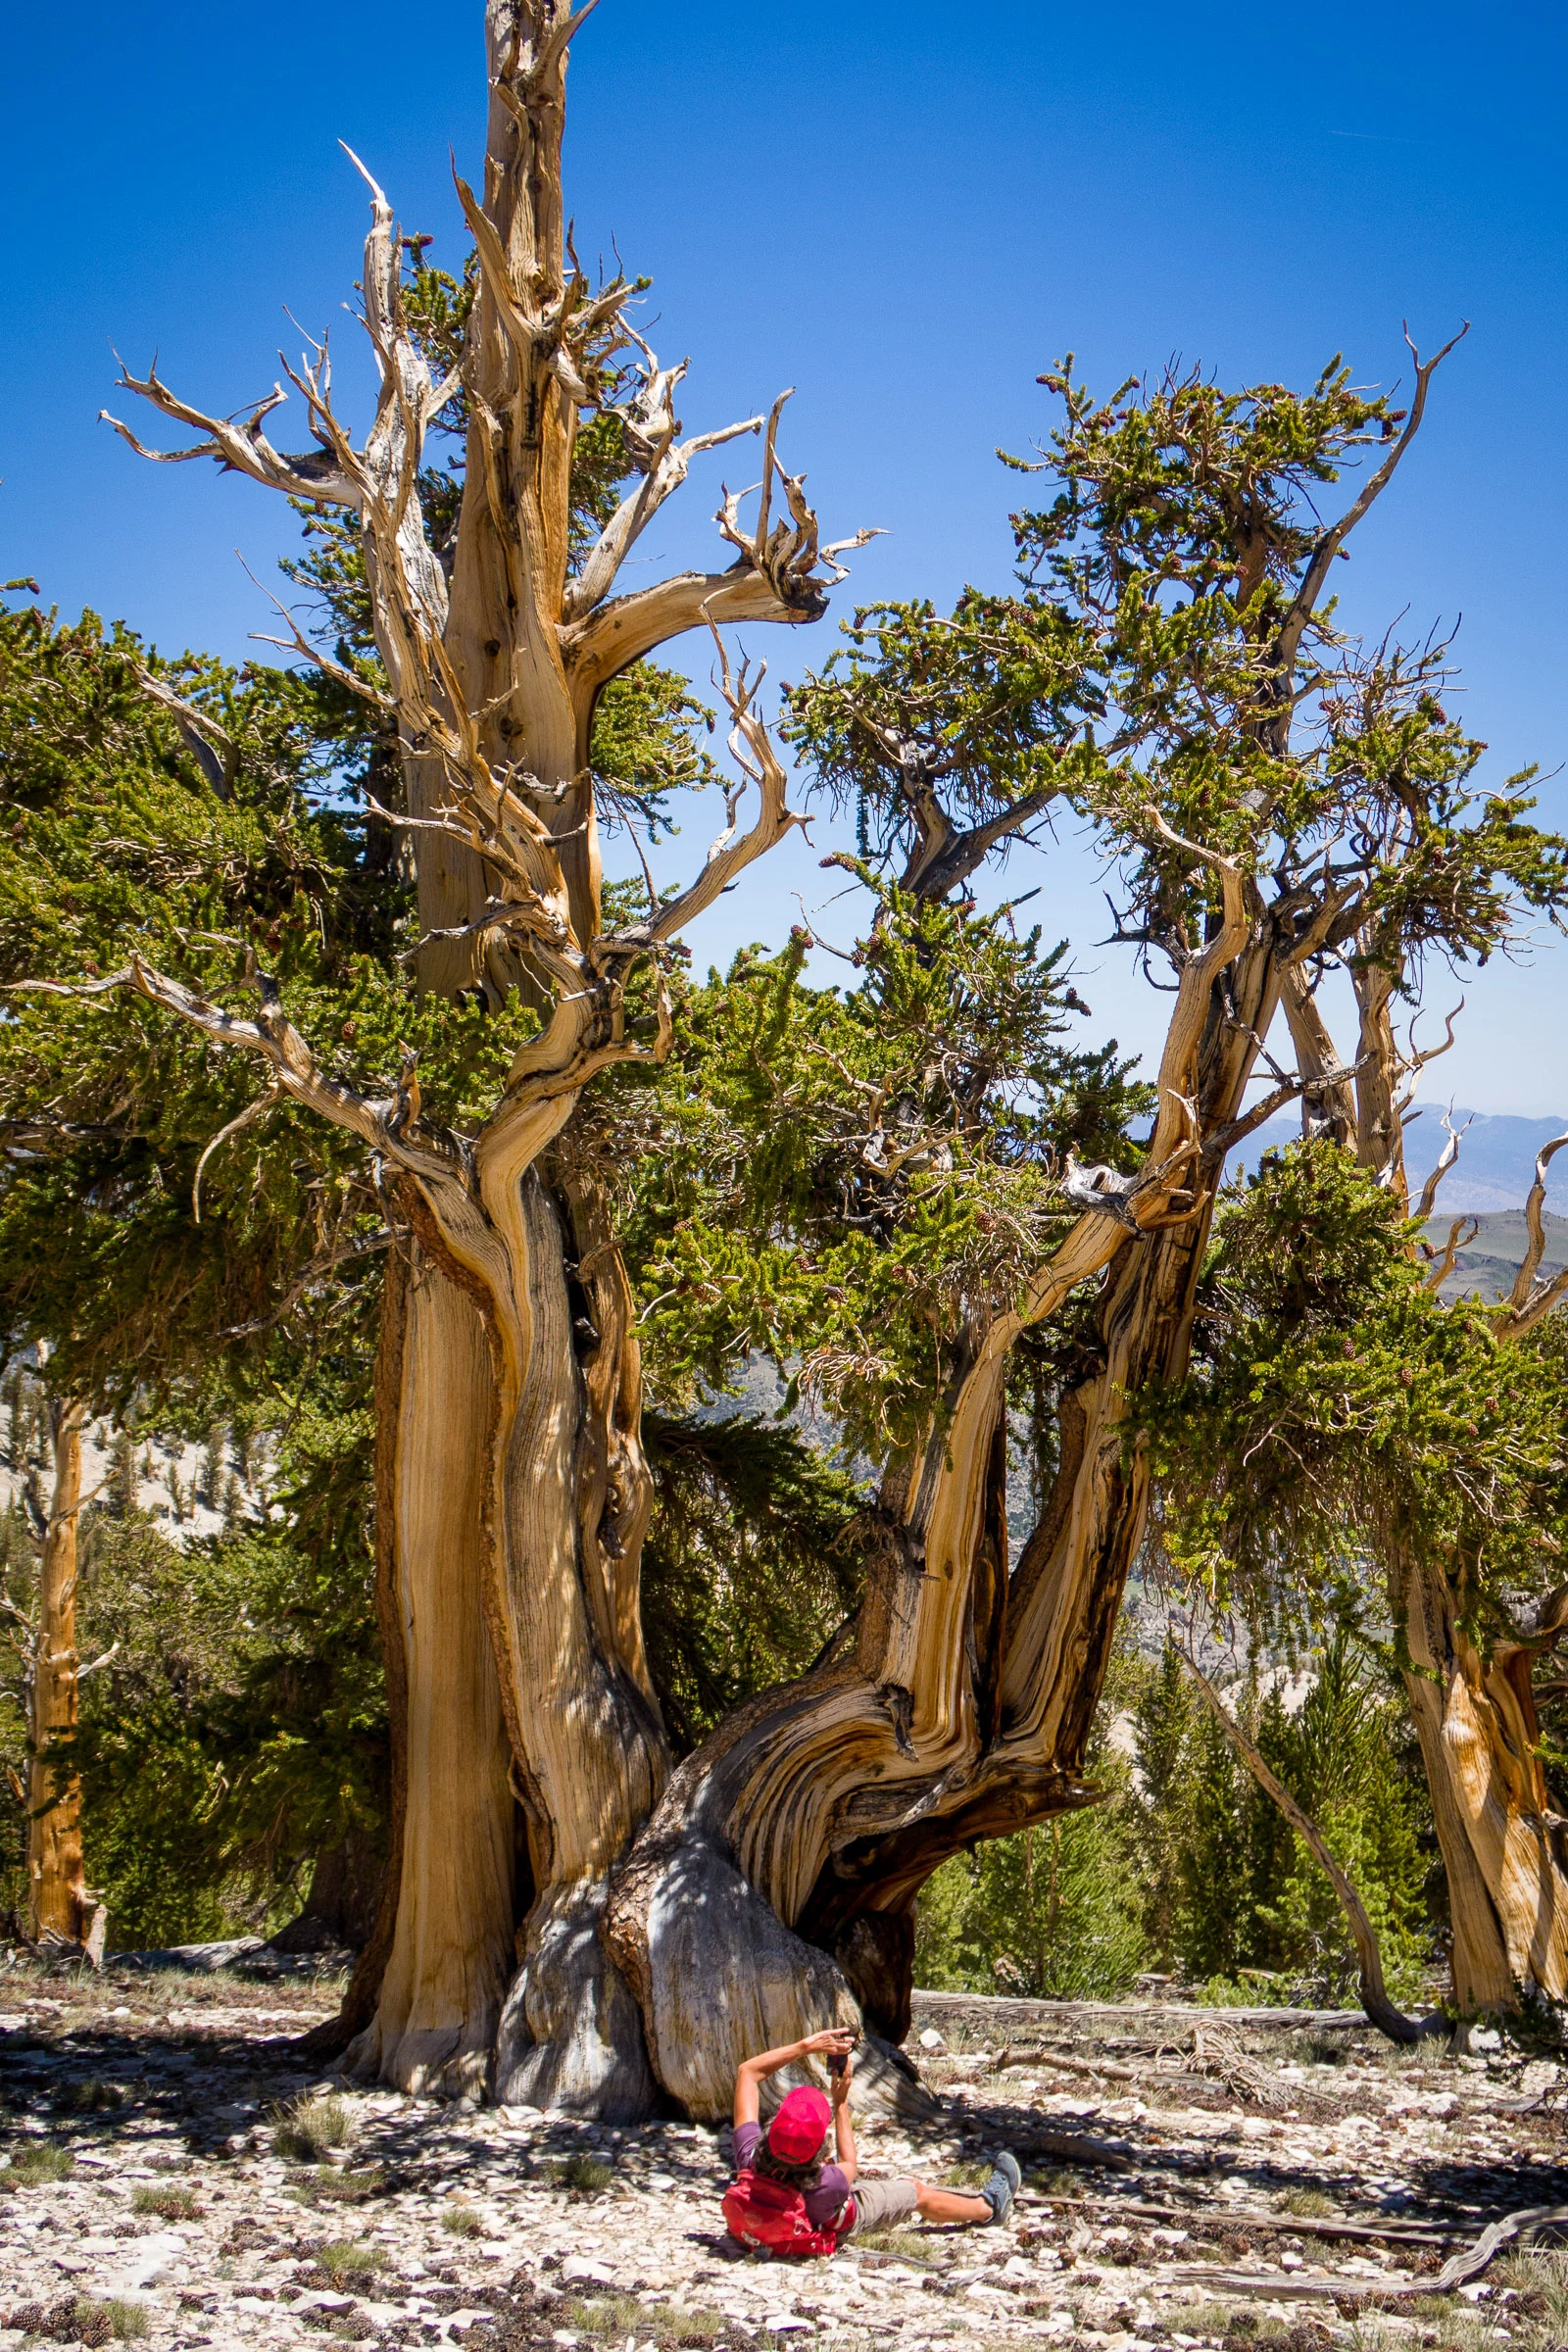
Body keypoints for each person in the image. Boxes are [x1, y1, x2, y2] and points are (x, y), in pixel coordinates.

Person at [726, 2027, 1019, 2252]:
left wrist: (804, 2047)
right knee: (915, 2192)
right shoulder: (829, 2183)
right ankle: (990, 2207)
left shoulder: (750, 2158)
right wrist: (840, 2103)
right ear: (818, 2151)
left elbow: (747, 2073)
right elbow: (850, 2164)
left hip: (771, 2217)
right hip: (839, 2220)